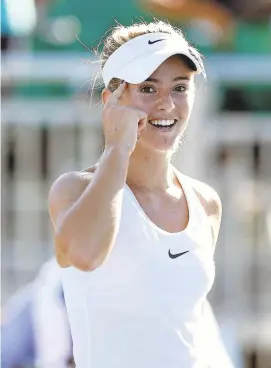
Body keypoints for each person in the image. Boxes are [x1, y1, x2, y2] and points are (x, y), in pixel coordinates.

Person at [49, 20, 224, 367]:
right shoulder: (74, 189)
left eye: (179, 87)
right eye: (147, 88)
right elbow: (85, 255)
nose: (167, 104)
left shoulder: (206, 202)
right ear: (111, 100)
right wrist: (117, 148)